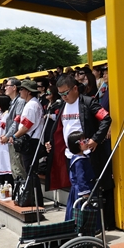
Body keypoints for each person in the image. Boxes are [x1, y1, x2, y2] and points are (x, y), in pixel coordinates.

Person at [46, 74, 112, 222]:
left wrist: (95, 139)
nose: (63, 97)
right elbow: (60, 129)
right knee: (76, 189)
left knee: (88, 190)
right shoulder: (62, 106)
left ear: (75, 88)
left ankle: (92, 223)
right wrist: (51, 142)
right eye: (60, 94)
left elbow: (106, 118)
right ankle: (76, 221)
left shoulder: (88, 102)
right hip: (70, 155)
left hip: (87, 154)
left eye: (66, 93)